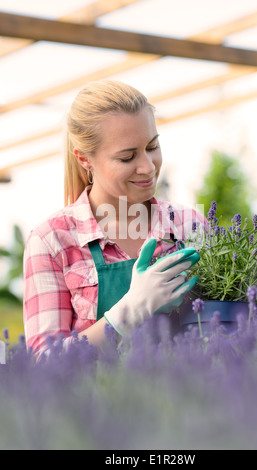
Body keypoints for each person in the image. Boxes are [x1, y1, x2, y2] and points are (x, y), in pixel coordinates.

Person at [23, 80, 207, 358]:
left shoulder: (187, 224)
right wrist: (129, 312)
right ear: (84, 158)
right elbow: (43, 366)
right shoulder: (52, 241)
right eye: (127, 157)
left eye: (152, 146)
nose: (147, 166)